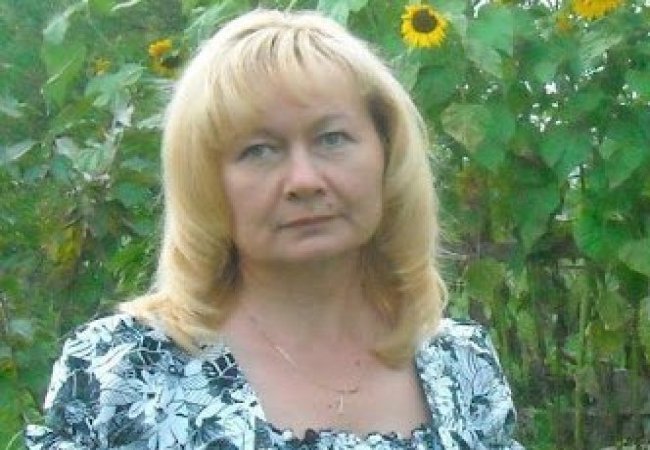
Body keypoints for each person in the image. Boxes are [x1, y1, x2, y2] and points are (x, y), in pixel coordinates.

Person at [25, 8, 523, 449]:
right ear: (206, 181)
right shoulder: (124, 371)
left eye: (332, 138)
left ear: (387, 154)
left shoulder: (460, 366)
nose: (304, 180)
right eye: (259, 150)